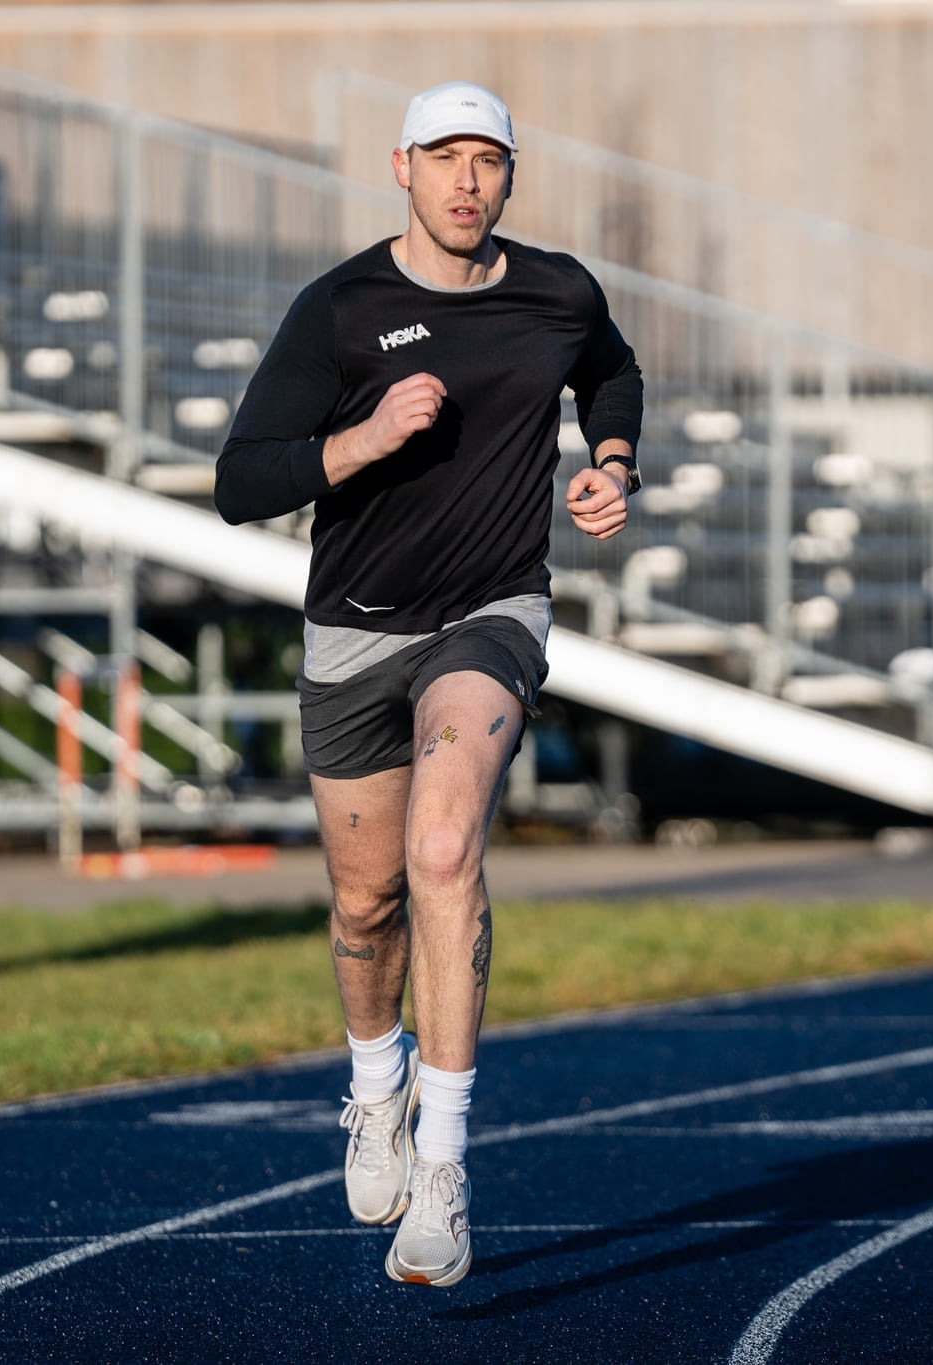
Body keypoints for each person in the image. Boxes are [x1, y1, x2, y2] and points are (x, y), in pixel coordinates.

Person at [212, 80, 643, 1287]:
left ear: (511, 175)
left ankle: (445, 1172)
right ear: (399, 167)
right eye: (444, 158)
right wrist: (359, 441)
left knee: (443, 852)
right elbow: (241, 480)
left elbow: (612, 374)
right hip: (352, 631)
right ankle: (373, 1090)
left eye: (487, 161)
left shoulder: (559, 292)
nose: (467, 180)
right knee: (364, 905)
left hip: (490, 613)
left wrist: (612, 465)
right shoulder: (342, 309)